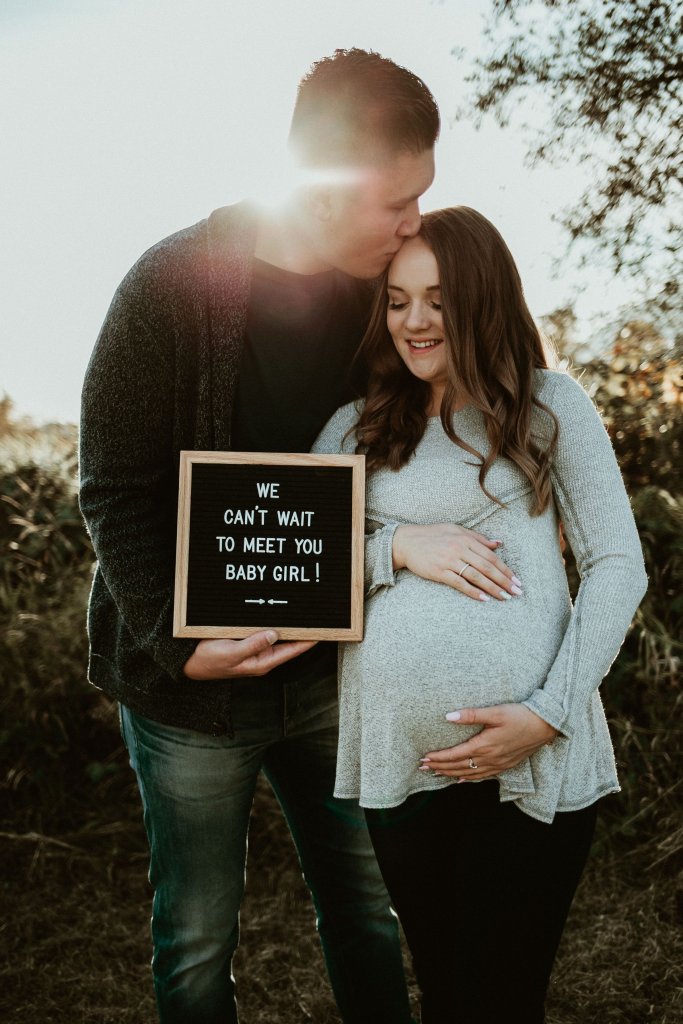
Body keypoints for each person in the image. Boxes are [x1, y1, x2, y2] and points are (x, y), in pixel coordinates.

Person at [80, 49, 521, 1024]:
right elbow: (113, 485)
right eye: (397, 202)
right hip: (187, 695)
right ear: (324, 193)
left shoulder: (387, 298)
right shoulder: (168, 286)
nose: (415, 223)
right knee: (195, 942)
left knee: (367, 913)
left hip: (334, 676)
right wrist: (176, 638)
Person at [313, 206, 648, 1024]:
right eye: (396, 300)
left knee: (504, 996)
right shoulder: (352, 427)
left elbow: (616, 565)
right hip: (401, 763)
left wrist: (547, 712)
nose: (415, 321)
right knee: (446, 988)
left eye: (437, 298)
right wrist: (394, 549)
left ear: (484, 299)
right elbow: (300, 571)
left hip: (531, 757)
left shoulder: (546, 404)